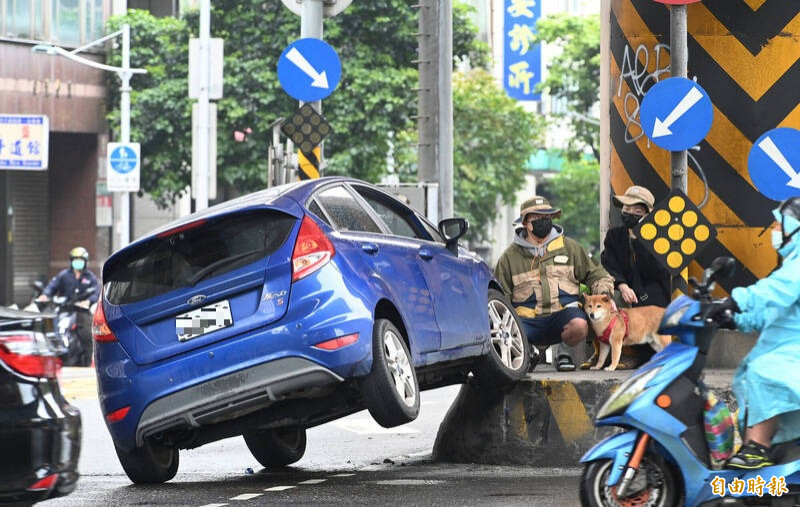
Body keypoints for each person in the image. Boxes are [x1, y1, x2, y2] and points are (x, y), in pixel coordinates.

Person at [709, 196, 800, 469]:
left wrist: (736, 300)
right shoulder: (791, 264)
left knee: (763, 370)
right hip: (787, 349)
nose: (773, 231)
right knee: (755, 373)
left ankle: (757, 449)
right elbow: (770, 311)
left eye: (777, 224)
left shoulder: (797, 267)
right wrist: (733, 317)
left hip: (792, 353)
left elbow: (772, 291)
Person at [495, 196, 615, 371]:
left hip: (562, 317)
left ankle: (564, 353)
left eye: (547, 218)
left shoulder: (570, 247)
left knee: (579, 325)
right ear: (526, 223)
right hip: (527, 322)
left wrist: (606, 296)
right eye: (537, 219)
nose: (544, 222)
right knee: (510, 333)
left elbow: (598, 275)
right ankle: (529, 352)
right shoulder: (509, 257)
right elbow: (499, 297)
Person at [601, 185, 670, 308]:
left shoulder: (660, 238)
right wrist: (622, 286)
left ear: (647, 215)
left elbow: (656, 271)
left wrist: (637, 239)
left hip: (654, 296)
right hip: (623, 291)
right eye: (626, 208)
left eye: (637, 212)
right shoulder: (614, 235)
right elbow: (610, 265)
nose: (630, 214)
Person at [38, 246, 101, 366]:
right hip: (64, 309)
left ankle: (87, 363)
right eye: (75, 259)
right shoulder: (64, 275)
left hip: (81, 311)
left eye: (81, 260)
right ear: (71, 261)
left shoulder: (90, 277)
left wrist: (88, 301)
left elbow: (96, 292)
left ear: (85, 262)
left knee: (87, 336)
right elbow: (52, 287)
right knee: (55, 331)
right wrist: (45, 296)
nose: (78, 262)